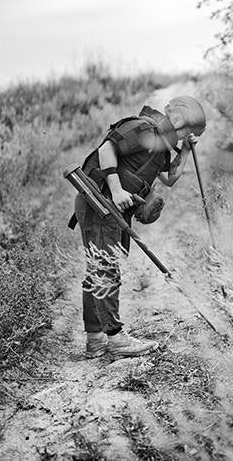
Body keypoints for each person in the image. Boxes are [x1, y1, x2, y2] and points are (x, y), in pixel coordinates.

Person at [68, 92, 207, 358]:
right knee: (105, 268)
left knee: (100, 268)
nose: (186, 136)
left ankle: (95, 340)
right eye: (188, 130)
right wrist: (118, 190)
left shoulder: (161, 143)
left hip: (110, 209)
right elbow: (106, 148)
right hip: (101, 202)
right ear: (177, 119)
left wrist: (187, 149)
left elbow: (169, 178)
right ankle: (116, 338)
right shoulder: (143, 127)